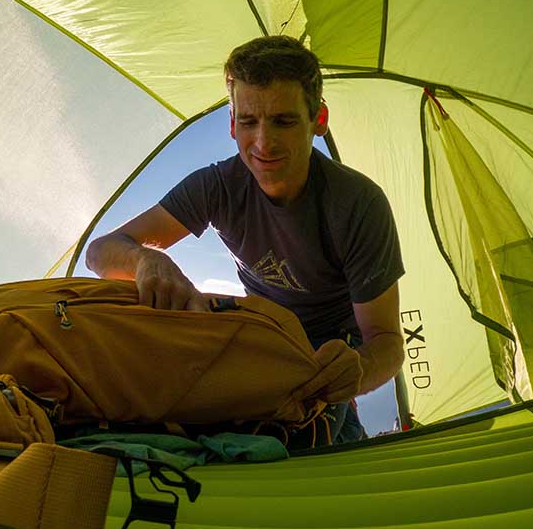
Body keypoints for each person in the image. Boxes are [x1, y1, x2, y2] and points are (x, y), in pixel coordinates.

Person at [86, 35, 405, 444]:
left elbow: (386, 342)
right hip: (258, 334)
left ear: (318, 120)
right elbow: (100, 252)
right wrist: (145, 260)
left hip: (329, 350)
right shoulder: (217, 186)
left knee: (311, 438)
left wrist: (357, 371)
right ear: (233, 124)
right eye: (250, 122)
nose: (263, 143)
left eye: (284, 121)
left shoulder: (358, 204)